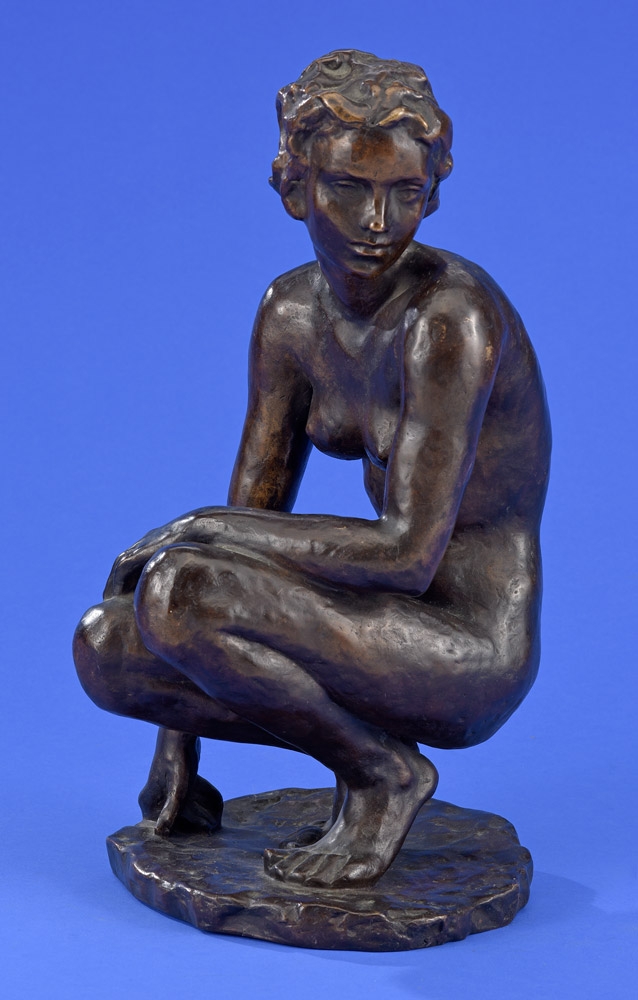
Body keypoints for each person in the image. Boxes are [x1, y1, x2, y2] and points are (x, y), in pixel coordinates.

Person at [73, 50, 551, 889]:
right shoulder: (290, 313)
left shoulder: (451, 319)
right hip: (363, 626)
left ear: (433, 192)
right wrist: (178, 746)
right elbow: (246, 534)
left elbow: (408, 556)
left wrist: (198, 530)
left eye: (405, 192)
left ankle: (382, 774)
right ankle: (366, 758)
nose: (378, 221)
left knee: (178, 583)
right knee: (107, 645)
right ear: (294, 188)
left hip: (466, 645)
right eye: (347, 188)